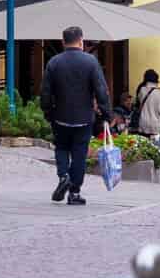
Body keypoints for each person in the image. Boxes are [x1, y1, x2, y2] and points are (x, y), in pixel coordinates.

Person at [40, 24, 109, 206]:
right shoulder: (91, 62)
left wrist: (47, 111)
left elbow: (45, 91)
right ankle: (74, 192)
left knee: (61, 148)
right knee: (79, 154)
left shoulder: (54, 62)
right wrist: (106, 113)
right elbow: (101, 90)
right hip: (83, 117)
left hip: (60, 116)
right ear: (81, 41)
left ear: (63, 42)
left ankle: (63, 176)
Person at [132, 69, 160, 138]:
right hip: (154, 126)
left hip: (143, 123)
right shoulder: (159, 93)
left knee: (144, 142)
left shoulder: (141, 90)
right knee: (154, 144)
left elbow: (138, 102)